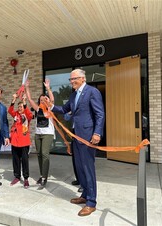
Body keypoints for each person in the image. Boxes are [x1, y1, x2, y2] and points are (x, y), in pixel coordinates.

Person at [45, 69, 105, 217]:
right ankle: (85, 194)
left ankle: (91, 202)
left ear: (83, 78)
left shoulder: (92, 92)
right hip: (76, 136)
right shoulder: (73, 95)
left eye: (74, 79)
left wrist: (97, 132)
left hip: (88, 136)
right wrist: (51, 106)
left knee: (87, 168)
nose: (71, 82)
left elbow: (100, 113)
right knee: (79, 168)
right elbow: (64, 109)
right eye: (70, 80)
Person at [25, 78, 55, 190]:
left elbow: (51, 99)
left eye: (44, 99)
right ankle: (42, 175)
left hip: (48, 134)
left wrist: (48, 88)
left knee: (45, 154)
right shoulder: (38, 109)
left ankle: (44, 177)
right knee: (39, 154)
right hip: (38, 134)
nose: (43, 101)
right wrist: (27, 87)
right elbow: (29, 98)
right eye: (41, 100)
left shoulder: (50, 108)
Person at [8, 93, 33, 188]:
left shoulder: (27, 115)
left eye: (21, 106)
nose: (19, 108)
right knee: (16, 160)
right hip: (15, 141)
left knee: (25, 161)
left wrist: (24, 101)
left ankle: (26, 178)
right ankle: (17, 176)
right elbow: (10, 110)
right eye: (18, 107)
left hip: (24, 142)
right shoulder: (16, 114)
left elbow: (29, 114)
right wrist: (14, 99)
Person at [64, 111, 83, 193]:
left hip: (83, 133)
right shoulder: (72, 107)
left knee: (82, 161)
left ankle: (83, 184)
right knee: (75, 159)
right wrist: (70, 113)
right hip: (73, 133)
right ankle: (78, 179)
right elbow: (66, 117)